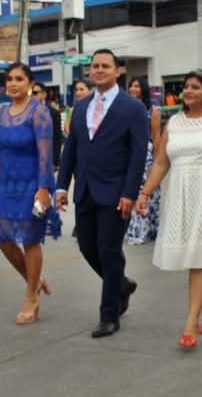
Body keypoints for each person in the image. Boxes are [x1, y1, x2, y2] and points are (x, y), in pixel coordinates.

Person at [135, 69, 202, 349]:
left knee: (199, 257)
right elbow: (161, 162)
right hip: (182, 195)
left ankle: (191, 322)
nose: (188, 91)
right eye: (186, 86)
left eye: (196, 87)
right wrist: (145, 192)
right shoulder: (174, 123)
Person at [56, 48, 148, 338]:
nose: (98, 70)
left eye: (105, 66)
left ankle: (109, 315)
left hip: (116, 193)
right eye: (95, 66)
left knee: (108, 250)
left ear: (117, 71)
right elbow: (71, 149)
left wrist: (130, 193)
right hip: (85, 190)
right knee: (87, 246)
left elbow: (138, 155)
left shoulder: (132, 108)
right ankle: (121, 284)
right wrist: (61, 185)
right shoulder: (81, 106)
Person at [0, 62, 60, 324]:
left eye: (19, 79)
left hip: (32, 184)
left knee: (30, 241)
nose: (13, 83)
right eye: (9, 79)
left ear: (30, 84)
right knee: (2, 239)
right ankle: (35, 280)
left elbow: (45, 153)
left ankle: (31, 297)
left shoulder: (38, 112)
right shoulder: (2, 113)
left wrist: (44, 188)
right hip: (7, 186)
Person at [126, 76, 162, 246]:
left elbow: (156, 136)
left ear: (144, 89)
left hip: (146, 154)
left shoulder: (152, 110)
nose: (133, 89)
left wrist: (157, 159)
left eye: (137, 86)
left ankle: (147, 229)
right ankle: (134, 229)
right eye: (131, 86)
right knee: (130, 190)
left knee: (146, 191)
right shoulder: (124, 108)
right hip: (126, 152)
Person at [31, 83, 64, 172]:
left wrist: (55, 161)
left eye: (35, 93)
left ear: (44, 94)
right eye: (30, 93)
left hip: (46, 158)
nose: (32, 96)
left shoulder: (53, 113)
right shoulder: (24, 112)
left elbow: (57, 137)